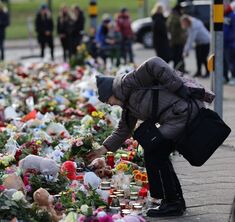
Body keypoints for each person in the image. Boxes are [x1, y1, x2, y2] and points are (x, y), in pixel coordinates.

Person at [88, 57, 206, 217]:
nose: (109, 104)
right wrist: (101, 150)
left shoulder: (129, 82)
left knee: (155, 152)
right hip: (175, 116)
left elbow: (154, 63)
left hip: (182, 111)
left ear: (112, 92)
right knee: (157, 153)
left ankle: (172, 203)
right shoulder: (128, 106)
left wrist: (178, 88)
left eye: (107, 100)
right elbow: (123, 129)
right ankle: (175, 201)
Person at [166, 5, 187, 72]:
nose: (182, 11)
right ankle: (179, 69)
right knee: (179, 56)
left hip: (175, 41)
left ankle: (177, 69)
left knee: (176, 56)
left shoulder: (171, 17)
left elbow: (169, 29)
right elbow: (174, 30)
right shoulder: (176, 18)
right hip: (178, 40)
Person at [223, 3, 235, 84]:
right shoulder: (222, 15)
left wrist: (229, 39)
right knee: (223, 61)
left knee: (231, 61)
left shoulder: (232, 15)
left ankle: (233, 77)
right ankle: (225, 77)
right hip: (223, 44)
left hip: (231, 44)